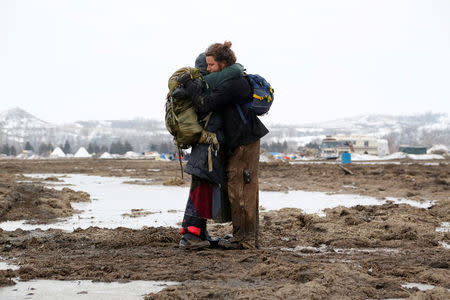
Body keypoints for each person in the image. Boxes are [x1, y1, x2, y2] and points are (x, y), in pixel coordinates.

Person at [184, 41, 269, 249]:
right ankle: (244, 237)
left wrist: (191, 87)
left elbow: (207, 103)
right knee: (237, 188)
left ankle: (246, 240)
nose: (208, 69)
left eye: (211, 65)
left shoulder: (234, 83)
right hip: (239, 142)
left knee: (242, 189)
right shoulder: (227, 80)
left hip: (245, 141)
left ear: (223, 63)